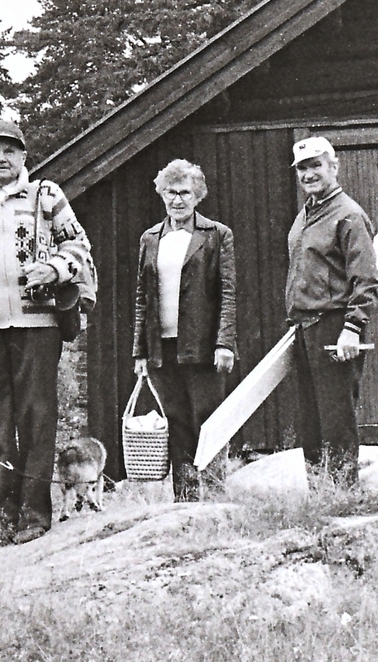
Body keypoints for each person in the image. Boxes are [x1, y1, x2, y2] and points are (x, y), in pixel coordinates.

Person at [0, 118, 94, 550]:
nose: (1, 158)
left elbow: (79, 246)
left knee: (36, 418)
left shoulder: (44, 195)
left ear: (23, 157)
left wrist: (56, 268)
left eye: (10, 151)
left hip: (37, 324)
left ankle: (34, 514)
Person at [132, 159, 236, 502]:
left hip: (203, 346)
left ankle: (217, 496)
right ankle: (186, 499)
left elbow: (228, 293)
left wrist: (224, 343)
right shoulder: (150, 239)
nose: (177, 200)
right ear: (162, 194)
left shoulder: (216, 235)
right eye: (171, 193)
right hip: (163, 347)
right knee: (176, 421)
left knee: (208, 419)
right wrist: (140, 352)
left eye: (185, 193)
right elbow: (141, 299)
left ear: (198, 196)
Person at [285, 136, 378, 489]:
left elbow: (366, 278)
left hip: (334, 328)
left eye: (316, 166)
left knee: (336, 419)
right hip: (305, 327)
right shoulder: (307, 214)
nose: (309, 174)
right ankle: (320, 496)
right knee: (311, 422)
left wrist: (352, 328)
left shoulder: (349, 215)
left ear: (333, 167)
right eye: (302, 169)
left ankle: (343, 497)